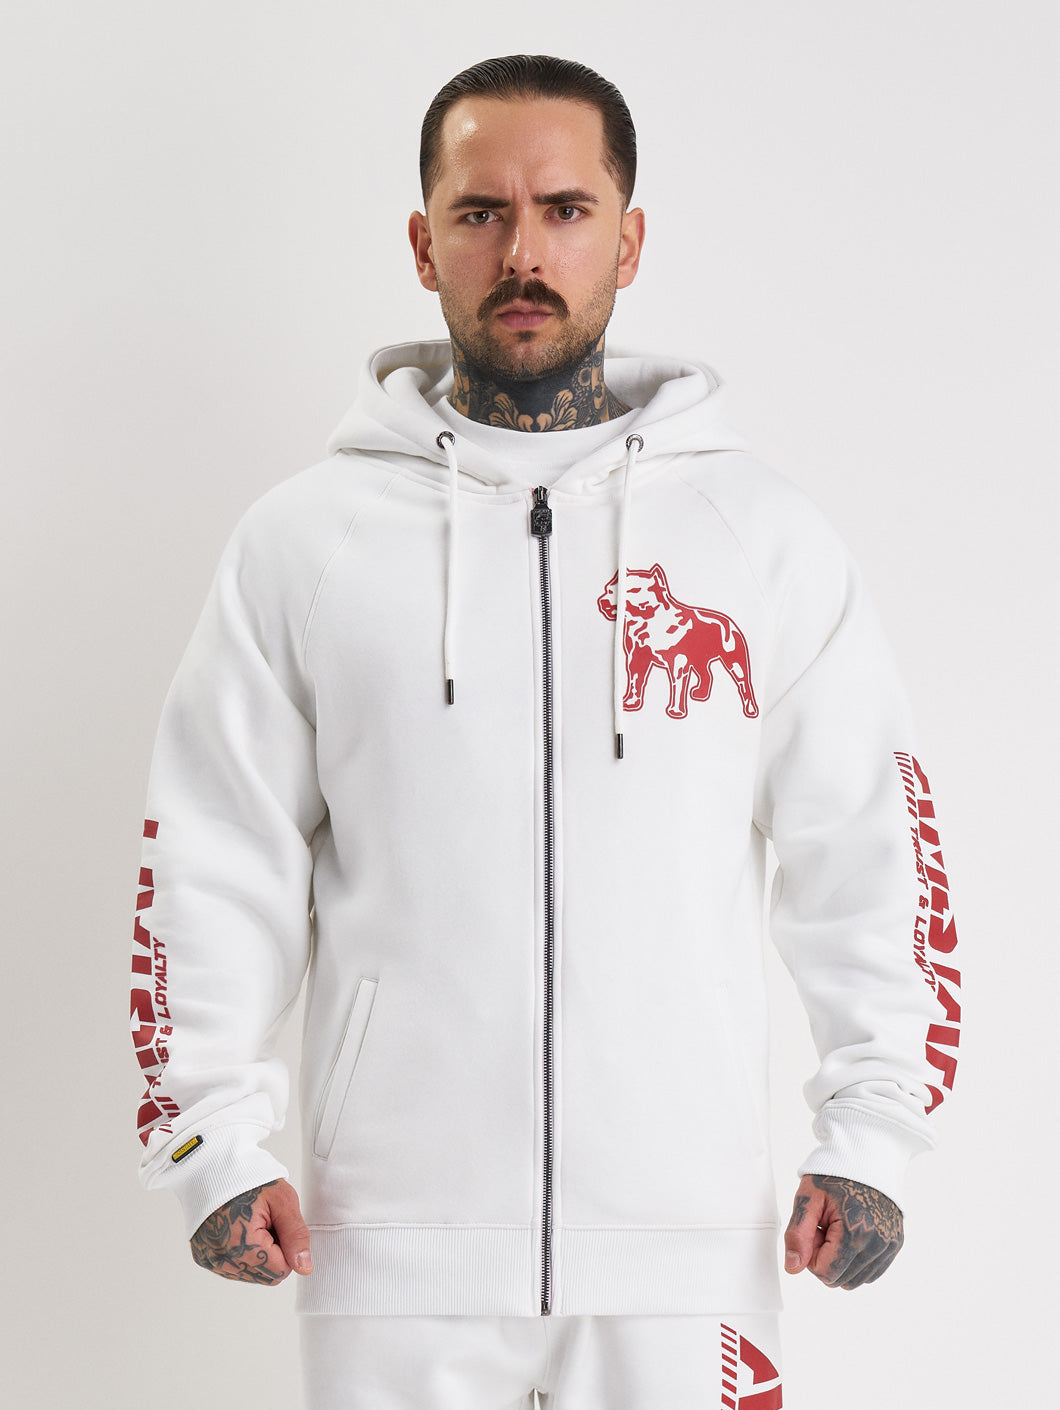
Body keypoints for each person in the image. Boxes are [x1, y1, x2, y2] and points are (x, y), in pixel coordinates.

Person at [130, 54, 961, 1410]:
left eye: (566, 209)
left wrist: (874, 1128)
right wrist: (208, 1138)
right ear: (424, 243)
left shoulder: (760, 539)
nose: (523, 251)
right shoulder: (307, 544)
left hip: (686, 1255)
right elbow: (213, 853)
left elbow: (870, 845)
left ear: (627, 240)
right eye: (482, 212)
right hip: (389, 1256)